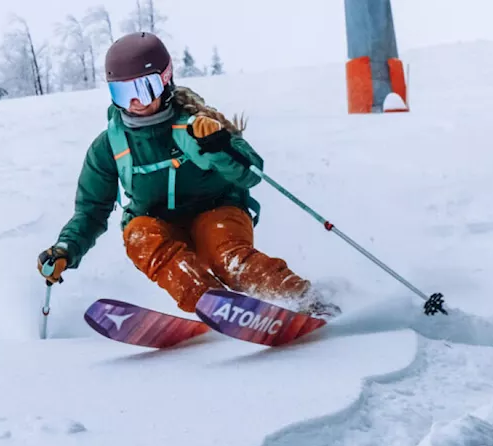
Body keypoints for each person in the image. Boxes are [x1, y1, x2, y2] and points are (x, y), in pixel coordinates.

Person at [37, 31, 340, 318]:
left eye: (143, 89)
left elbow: (251, 174)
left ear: (165, 80)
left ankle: (304, 300)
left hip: (218, 211)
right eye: (122, 92)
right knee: (138, 234)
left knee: (226, 257)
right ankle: (214, 305)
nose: (135, 102)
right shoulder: (110, 146)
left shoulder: (195, 125)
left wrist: (218, 146)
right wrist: (67, 248)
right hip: (161, 226)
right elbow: (91, 211)